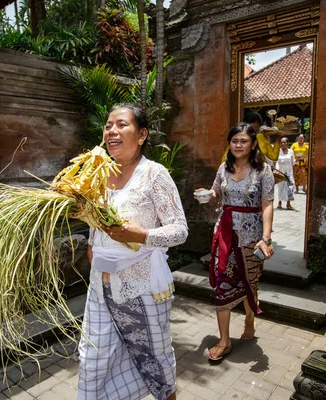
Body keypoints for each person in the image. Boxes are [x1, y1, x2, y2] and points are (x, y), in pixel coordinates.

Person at [78, 104, 188, 400]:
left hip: (141, 286)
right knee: (93, 359)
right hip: (100, 288)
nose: (112, 130)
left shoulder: (154, 175)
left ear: (141, 135)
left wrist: (141, 235)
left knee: (154, 357)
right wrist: (93, 249)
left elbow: (179, 229)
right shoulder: (97, 176)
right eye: (108, 125)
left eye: (121, 125)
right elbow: (94, 223)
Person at [195, 122, 274, 361]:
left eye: (243, 141)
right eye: (234, 141)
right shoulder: (223, 167)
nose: (238, 145)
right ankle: (224, 340)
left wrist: (266, 238)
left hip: (252, 236)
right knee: (223, 282)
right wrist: (209, 195)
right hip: (225, 233)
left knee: (250, 282)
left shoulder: (263, 171)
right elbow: (217, 191)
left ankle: (250, 318)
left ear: (252, 144)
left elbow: (267, 204)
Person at [276, 137, 296, 210]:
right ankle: (279, 202)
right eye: (281, 142)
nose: (283, 144)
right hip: (281, 173)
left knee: (291, 187)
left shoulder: (291, 152)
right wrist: (277, 170)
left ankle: (288, 203)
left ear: (287, 143)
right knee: (281, 188)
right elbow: (276, 161)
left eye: (284, 142)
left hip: (289, 172)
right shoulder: (278, 151)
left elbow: (293, 162)